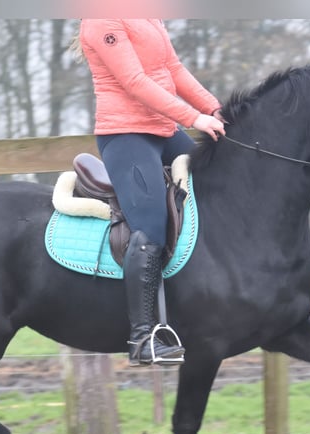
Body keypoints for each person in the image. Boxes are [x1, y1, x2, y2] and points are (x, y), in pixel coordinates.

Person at [79, 19, 226, 367]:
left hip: (163, 129)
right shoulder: (102, 21)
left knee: (215, 187)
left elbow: (172, 68)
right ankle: (143, 337)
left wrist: (214, 108)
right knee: (150, 227)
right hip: (126, 135)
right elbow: (134, 81)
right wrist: (194, 117)